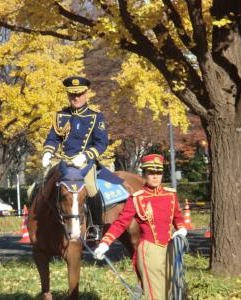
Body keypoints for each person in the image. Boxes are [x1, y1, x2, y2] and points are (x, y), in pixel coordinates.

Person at [93, 154, 187, 300]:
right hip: (149, 250)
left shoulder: (170, 195)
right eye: (151, 172)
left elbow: (178, 218)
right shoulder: (137, 198)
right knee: (156, 294)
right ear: (145, 174)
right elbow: (121, 222)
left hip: (171, 249)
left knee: (173, 291)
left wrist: (181, 229)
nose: (155, 176)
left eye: (158, 172)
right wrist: (105, 243)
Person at [42, 76, 109, 239]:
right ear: (68, 95)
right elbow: (53, 138)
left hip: (84, 163)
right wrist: (48, 152)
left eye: (79, 94)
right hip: (62, 161)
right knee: (41, 187)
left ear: (86, 94)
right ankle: (42, 223)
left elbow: (102, 143)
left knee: (92, 189)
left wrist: (86, 155)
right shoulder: (60, 116)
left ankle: (95, 227)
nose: (76, 98)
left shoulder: (95, 117)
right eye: (72, 95)